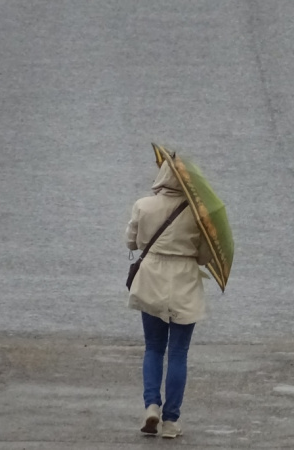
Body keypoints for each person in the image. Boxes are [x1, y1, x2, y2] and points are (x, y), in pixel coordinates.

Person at [125, 160, 212, 438]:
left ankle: (151, 405)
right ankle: (171, 421)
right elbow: (205, 256)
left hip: (151, 279)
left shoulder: (144, 204)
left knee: (153, 347)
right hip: (184, 281)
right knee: (178, 353)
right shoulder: (199, 212)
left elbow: (132, 242)